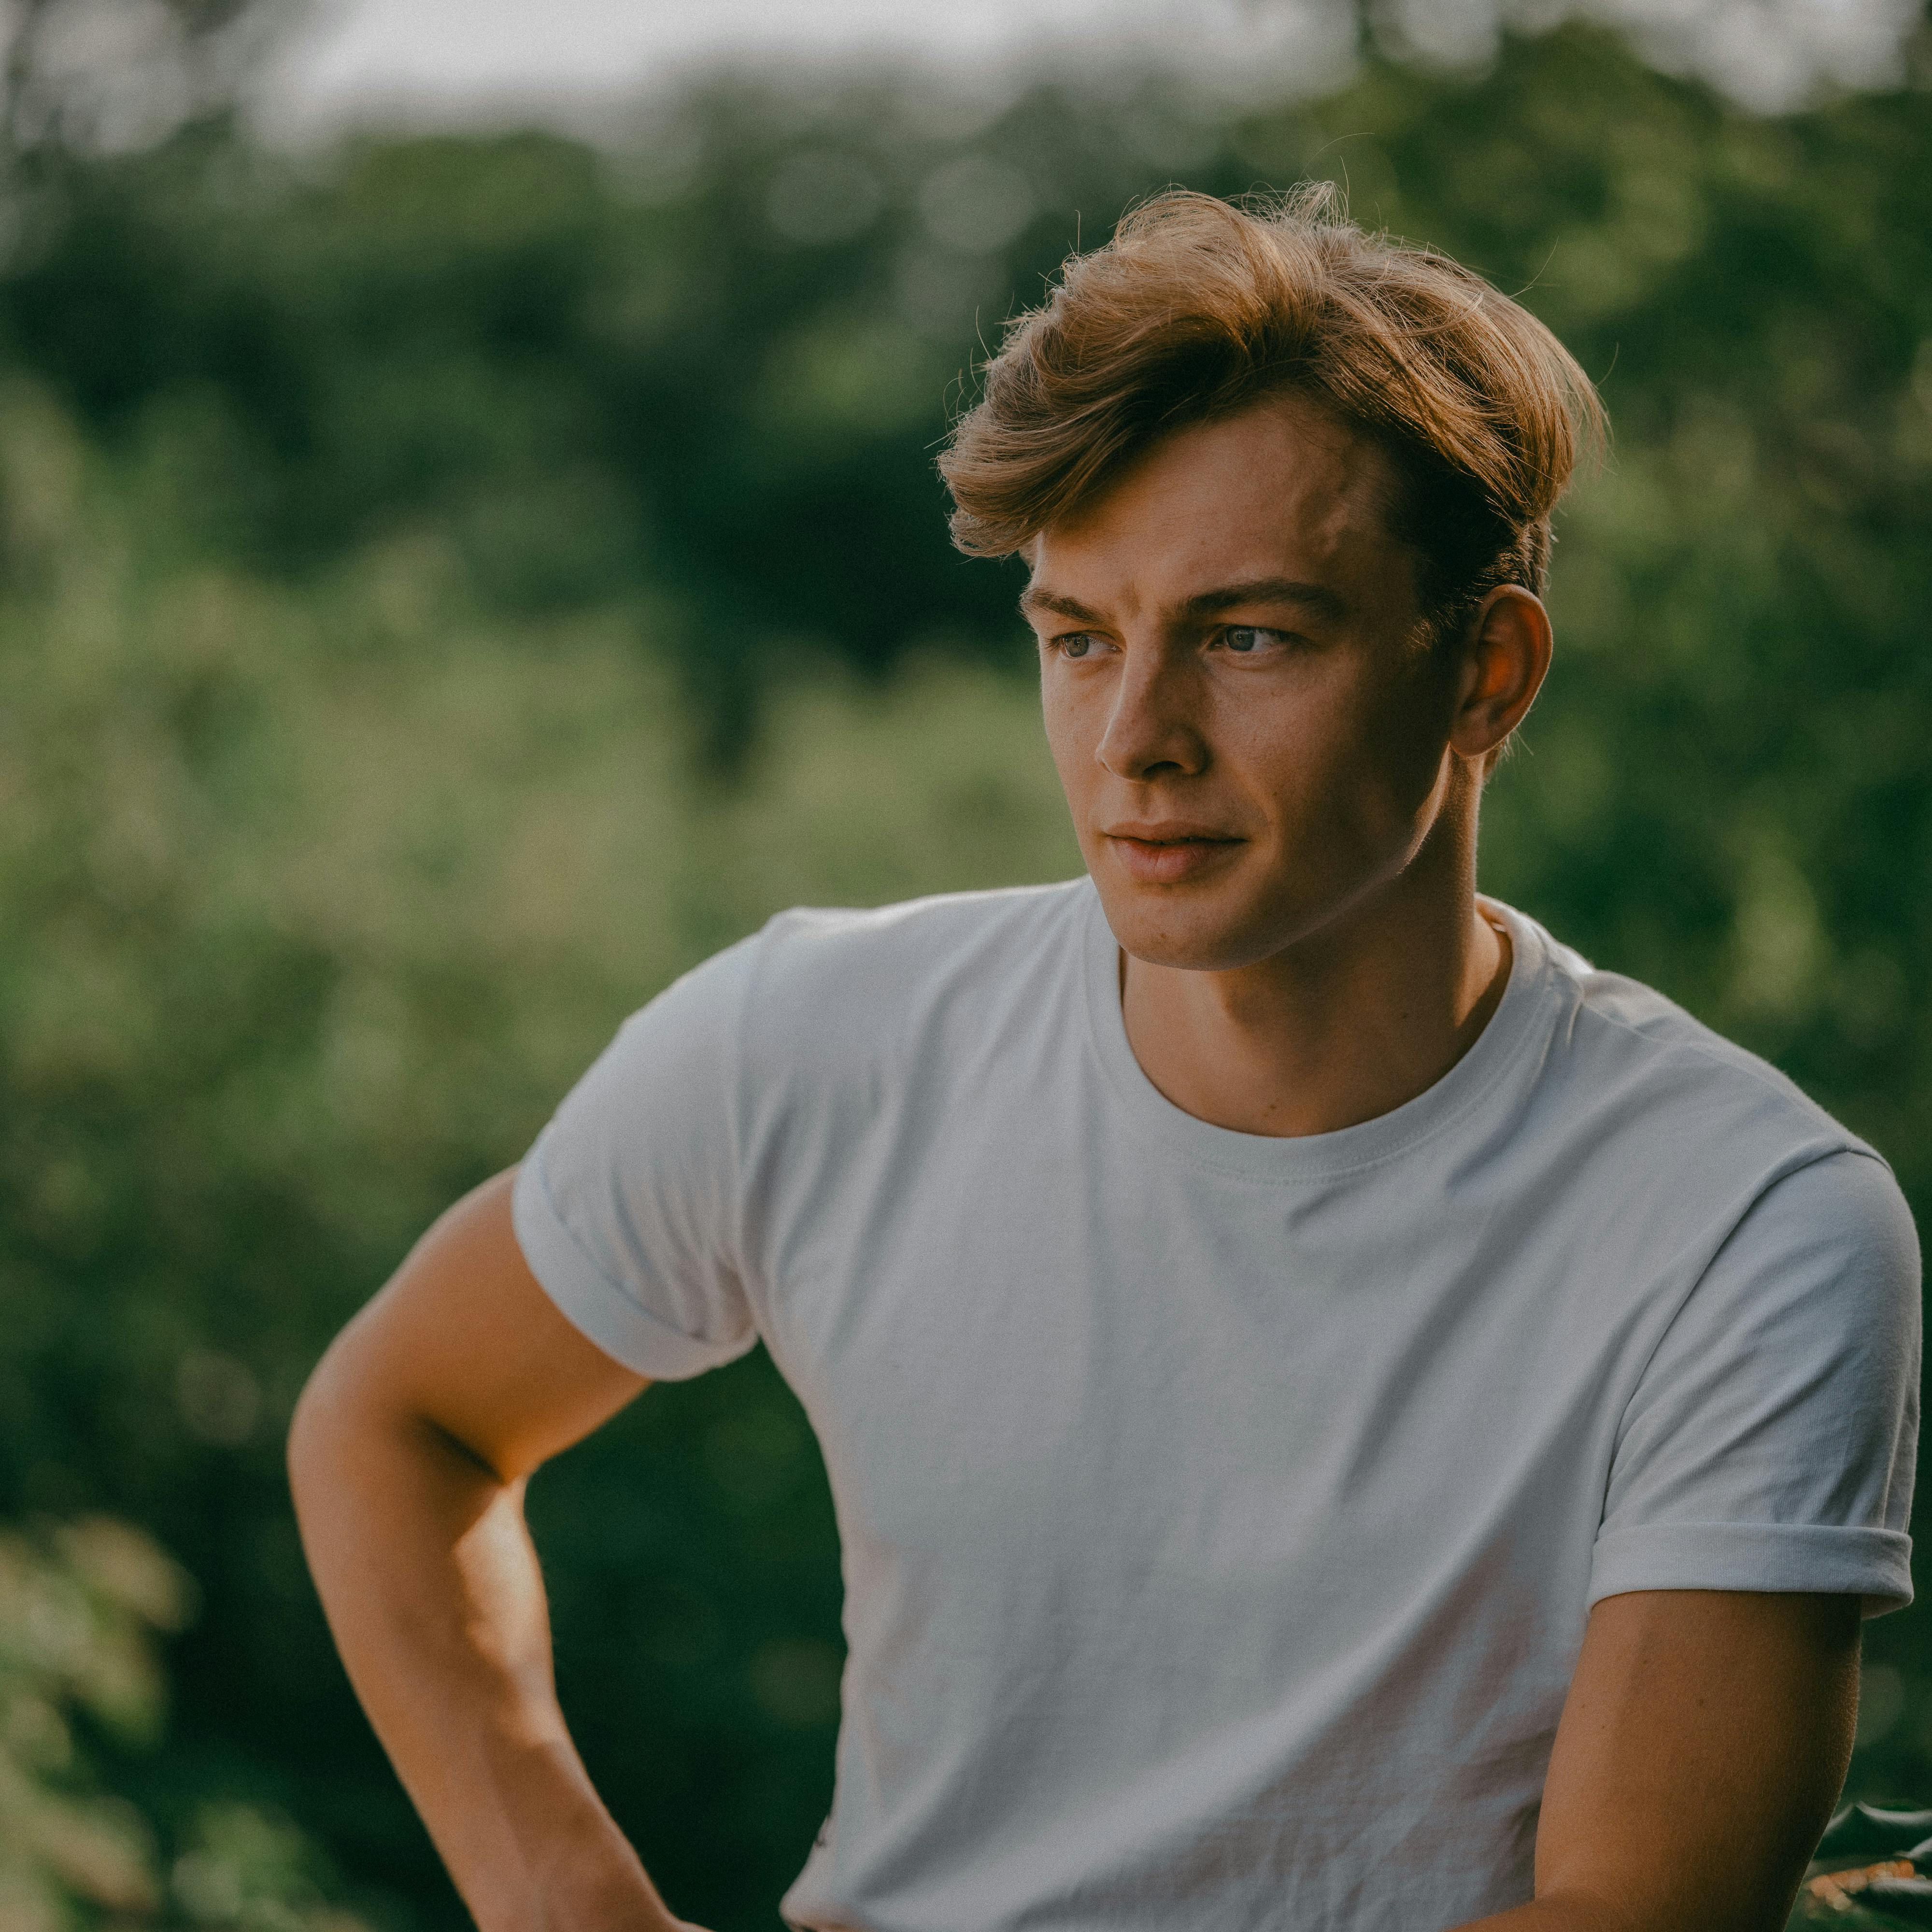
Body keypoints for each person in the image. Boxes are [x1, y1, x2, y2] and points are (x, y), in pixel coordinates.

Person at [288, 187, 1920, 1932]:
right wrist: (565, 1906)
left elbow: (1633, 1919)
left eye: (1249, 637)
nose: (1136, 740)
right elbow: (399, 1421)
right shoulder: (813, 1047)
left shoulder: (1748, 1226)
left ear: (1487, 675)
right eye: (1080, 638)